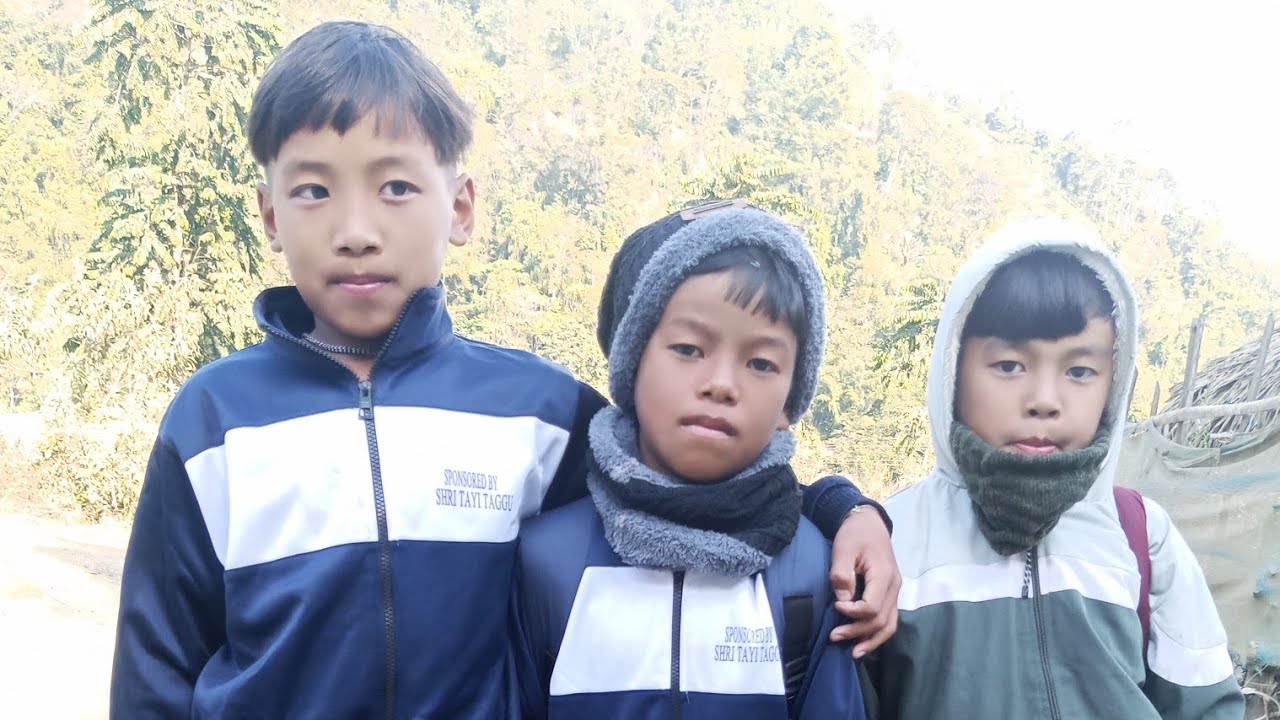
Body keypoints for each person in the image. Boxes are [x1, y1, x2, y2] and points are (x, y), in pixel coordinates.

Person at [109, 22, 897, 719]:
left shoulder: (537, 414)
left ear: (459, 206)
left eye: (395, 187)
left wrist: (846, 508)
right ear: (271, 214)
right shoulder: (213, 419)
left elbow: (696, 473)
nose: (355, 230)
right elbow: (159, 660)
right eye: (314, 189)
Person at [815, 220, 1243, 719]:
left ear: (1114, 381)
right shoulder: (893, 541)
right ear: (954, 371)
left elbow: (1207, 706)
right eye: (1010, 366)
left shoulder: (1140, 536)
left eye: (1079, 371)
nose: (1044, 400)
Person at [513, 201, 875, 719]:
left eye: (760, 362)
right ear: (630, 362)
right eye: (688, 349)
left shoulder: (815, 572)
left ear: (790, 403)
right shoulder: (545, 560)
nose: (721, 384)